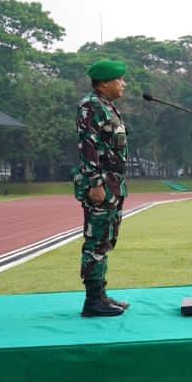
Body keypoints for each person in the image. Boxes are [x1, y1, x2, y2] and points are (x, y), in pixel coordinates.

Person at [74, 59, 130, 318]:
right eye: (120, 79)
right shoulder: (91, 106)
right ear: (105, 83)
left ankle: (101, 295)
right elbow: (88, 146)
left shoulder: (107, 106)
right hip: (101, 184)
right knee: (96, 240)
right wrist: (95, 183)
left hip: (113, 183)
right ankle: (93, 300)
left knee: (106, 239)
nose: (123, 84)